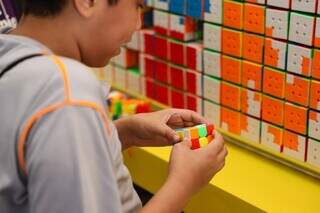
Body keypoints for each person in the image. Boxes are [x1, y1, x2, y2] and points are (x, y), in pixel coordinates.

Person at [0, 0, 228, 212]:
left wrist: (124, 133)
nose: (138, 24)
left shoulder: (10, 54)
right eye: (137, 5)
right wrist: (183, 184)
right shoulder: (66, 90)